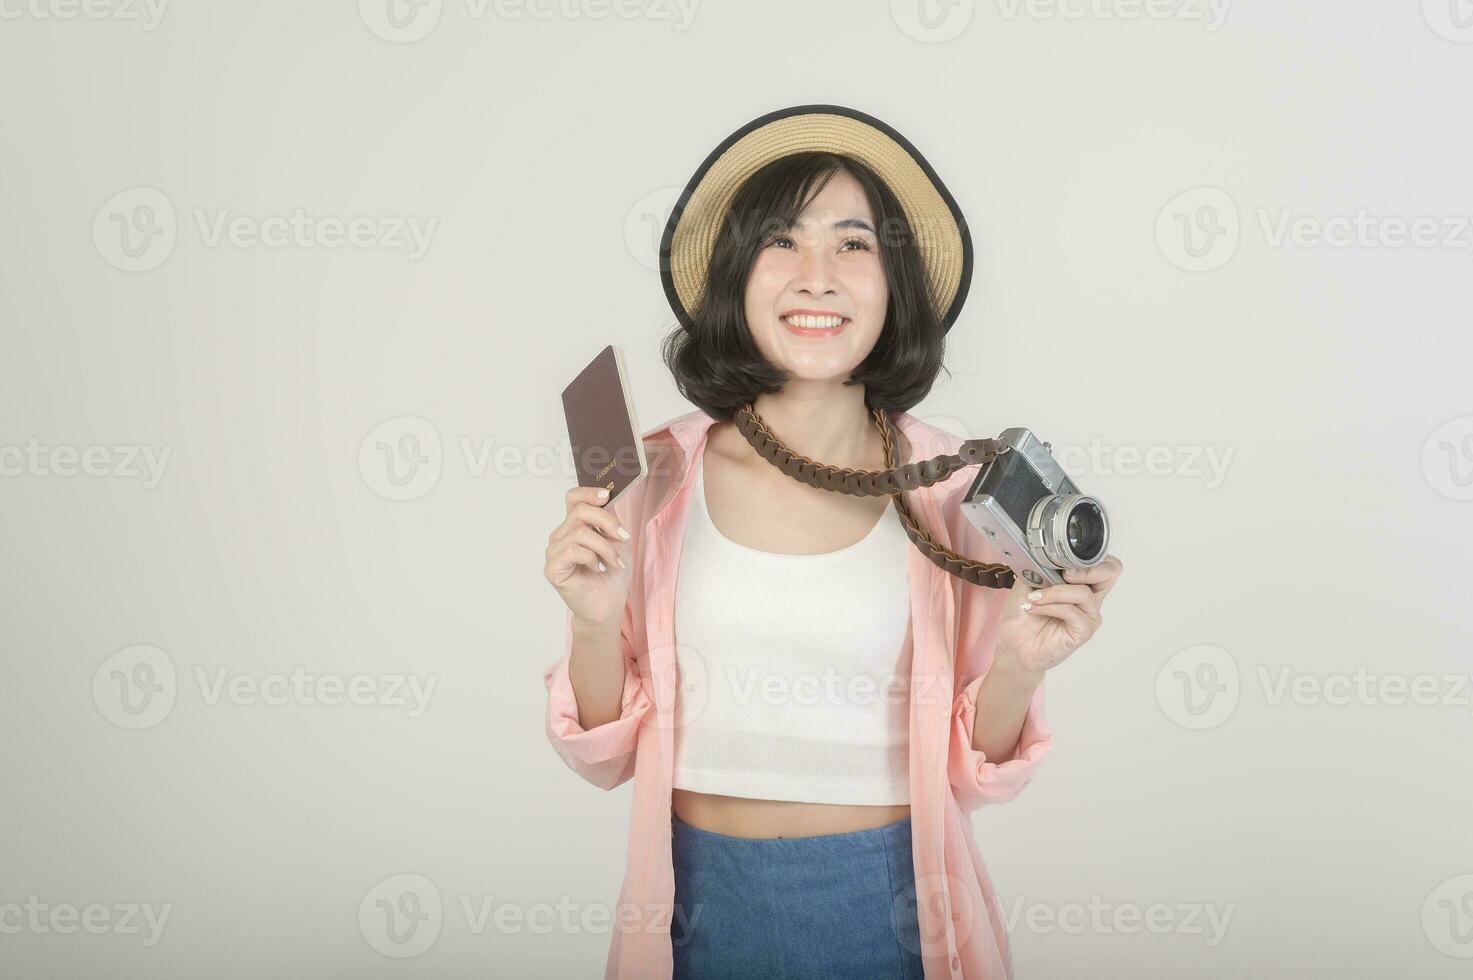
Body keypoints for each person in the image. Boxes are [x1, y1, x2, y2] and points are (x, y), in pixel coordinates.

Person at [542, 104, 1123, 980]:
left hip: (888, 907)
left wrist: (1020, 666)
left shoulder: (953, 488)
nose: (817, 277)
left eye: (854, 245)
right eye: (782, 241)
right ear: (736, 279)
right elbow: (605, 754)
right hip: (694, 904)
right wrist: (591, 624)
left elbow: (977, 774)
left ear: (893, 289)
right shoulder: (655, 475)